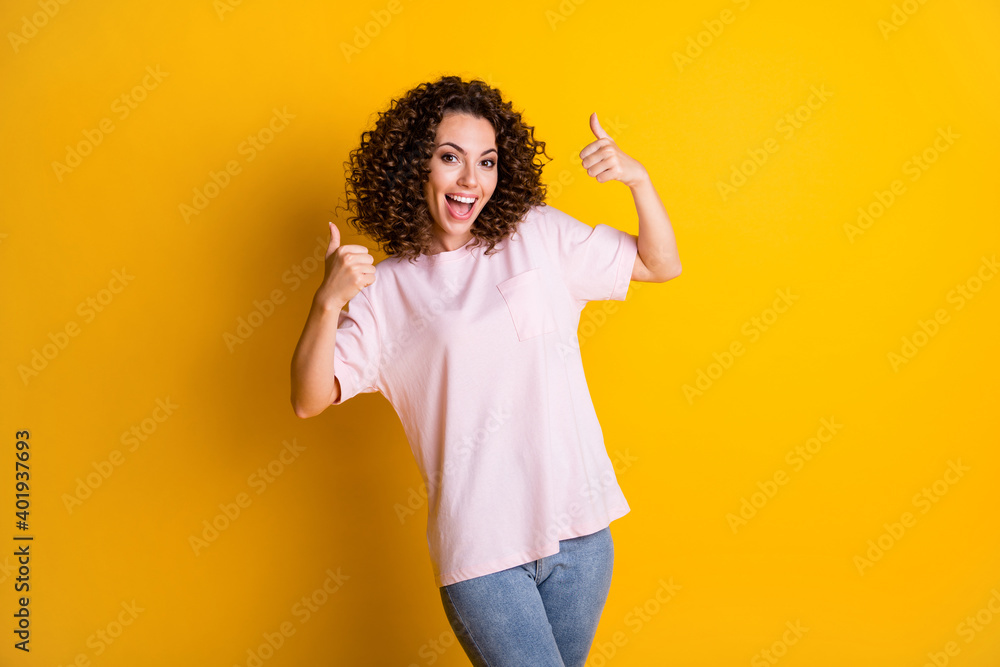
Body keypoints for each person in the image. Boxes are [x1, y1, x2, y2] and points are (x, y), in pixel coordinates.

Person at [290, 75, 681, 666]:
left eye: (487, 162)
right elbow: (309, 397)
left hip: (581, 530)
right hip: (482, 551)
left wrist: (639, 181)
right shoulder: (386, 291)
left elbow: (661, 264)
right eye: (451, 158)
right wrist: (327, 304)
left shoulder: (537, 234)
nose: (472, 180)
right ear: (413, 167)